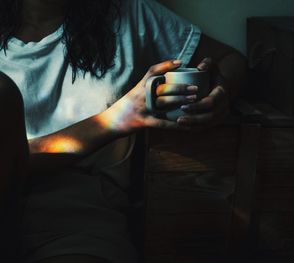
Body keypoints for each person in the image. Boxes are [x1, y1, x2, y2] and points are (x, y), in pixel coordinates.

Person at [0, 0, 247, 262]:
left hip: (80, 214)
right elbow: (12, 163)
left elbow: (230, 60)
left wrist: (221, 93)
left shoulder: (129, 13)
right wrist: (116, 119)